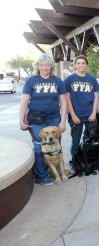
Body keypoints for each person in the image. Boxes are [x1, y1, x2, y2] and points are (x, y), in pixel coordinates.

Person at [19, 53, 67, 186]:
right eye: (42, 65)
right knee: (39, 147)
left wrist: (62, 122)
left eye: (47, 65)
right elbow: (24, 102)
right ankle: (42, 176)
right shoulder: (31, 81)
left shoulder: (58, 81)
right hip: (36, 118)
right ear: (38, 66)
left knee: (55, 146)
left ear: (51, 66)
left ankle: (57, 171)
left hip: (54, 118)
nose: (45, 67)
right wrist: (21, 121)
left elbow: (63, 103)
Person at [64, 55, 99, 165]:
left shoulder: (92, 79)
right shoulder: (69, 79)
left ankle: (94, 160)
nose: (81, 65)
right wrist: (73, 115)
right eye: (78, 63)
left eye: (83, 63)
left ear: (86, 65)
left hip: (90, 114)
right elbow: (67, 98)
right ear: (75, 65)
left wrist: (94, 112)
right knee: (76, 140)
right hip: (76, 115)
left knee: (94, 139)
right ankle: (74, 162)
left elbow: (96, 97)